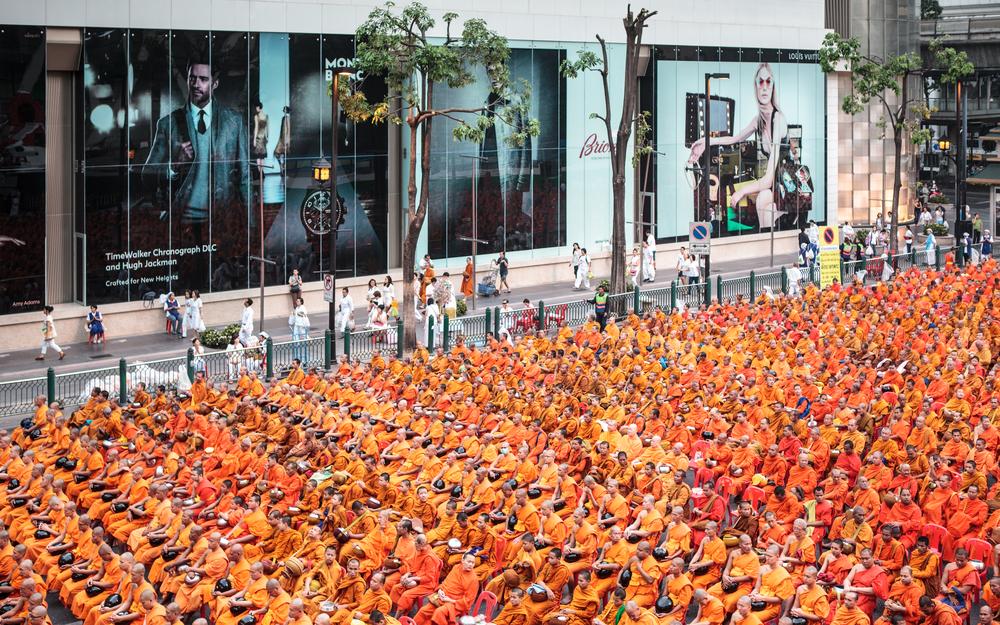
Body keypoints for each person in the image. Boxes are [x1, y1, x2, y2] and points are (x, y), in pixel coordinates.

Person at [142, 56, 249, 291]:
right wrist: (173, 166)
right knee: (185, 283)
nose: (196, 84)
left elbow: (244, 177)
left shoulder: (233, 122)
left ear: (215, 84)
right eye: (192, 78)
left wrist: (250, 222)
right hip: (182, 220)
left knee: (219, 282)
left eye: (203, 79)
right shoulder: (169, 124)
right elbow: (147, 174)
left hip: (221, 216)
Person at [289, 297, 310, 363]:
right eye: (296, 301)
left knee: (302, 333)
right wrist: (293, 314)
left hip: (301, 324)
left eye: (298, 301)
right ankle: (296, 342)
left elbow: (304, 314)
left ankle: (307, 339)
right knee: (295, 334)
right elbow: (295, 315)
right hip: (296, 324)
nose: (297, 302)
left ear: (301, 302)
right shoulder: (296, 308)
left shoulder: (303, 307)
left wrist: (299, 314)